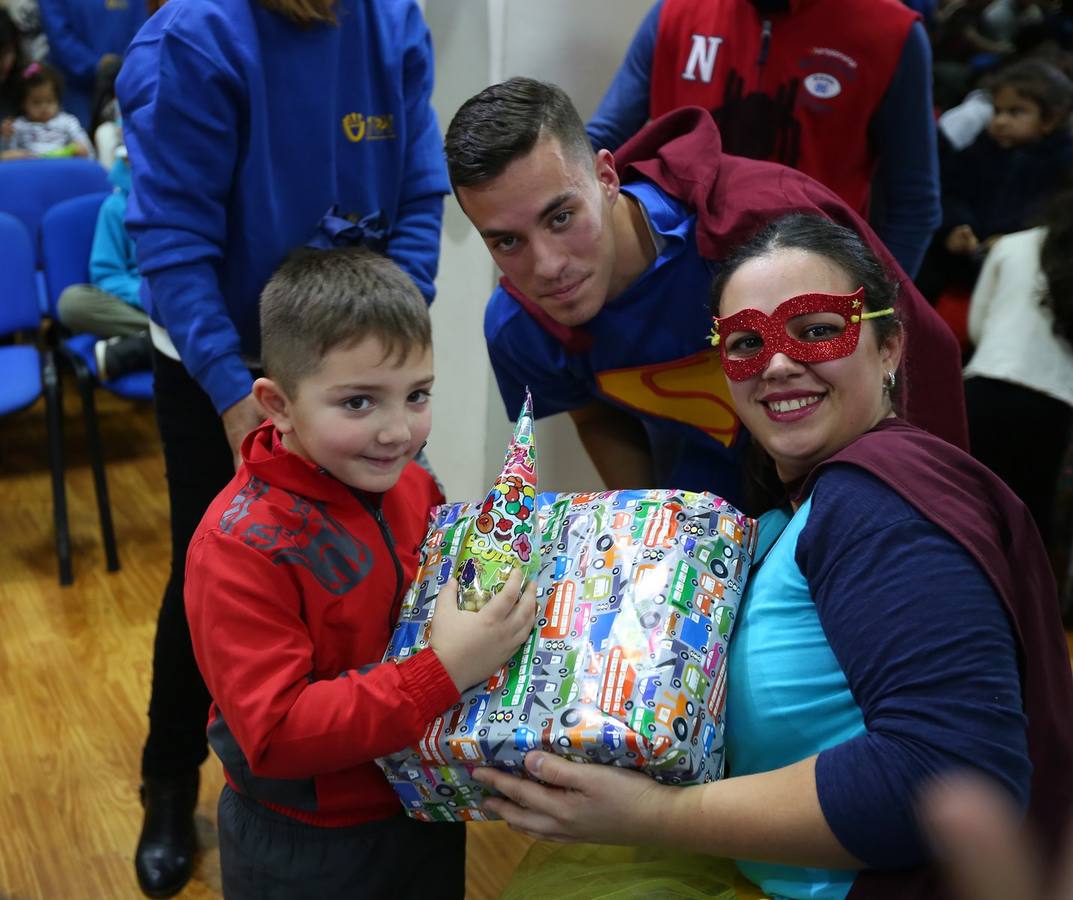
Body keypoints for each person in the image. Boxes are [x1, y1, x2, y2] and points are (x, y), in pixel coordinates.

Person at [473, 213, 1073, 899]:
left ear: (888, 347)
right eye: (745, 342)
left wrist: (655, 816)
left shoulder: (878, 505)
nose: (779, 362)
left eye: (818, 329)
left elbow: (944, 776)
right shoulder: (815, 497)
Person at [115, 0, 450, 894]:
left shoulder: (390, 21)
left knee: (369, 571)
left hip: (346, 362)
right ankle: (168, 781)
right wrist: (238, 401)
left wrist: (381, 342)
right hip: (226, 361)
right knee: (223, 581)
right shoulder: (192, 40)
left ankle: (372, 764)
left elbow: (420, 192)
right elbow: (174, 245)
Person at [185, 246, 537, 900]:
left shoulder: (413, 485)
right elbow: (279, 732)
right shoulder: (235, 548)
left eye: (417, 395)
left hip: (422, 806)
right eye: (358, 403)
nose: (398, 431)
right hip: (307, 844)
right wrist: (445, 669)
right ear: (277, 404)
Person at [444, 78, 966, 511]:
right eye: (507, 241)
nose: (548, 266)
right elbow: (595, 410)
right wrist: (655, 537)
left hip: (855, 481)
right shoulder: (522, 325)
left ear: (606, 177)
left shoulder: (761, 226)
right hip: (711, 501)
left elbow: (914, 353)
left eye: (561, 217)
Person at [585, 0, 942, 279]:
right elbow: (601, 139)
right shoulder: (676, 12)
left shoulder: (890, 35)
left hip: (810, 287)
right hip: (675, 279)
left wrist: (879, 311)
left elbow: (914, 203)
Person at [963, 188, 1073, 548]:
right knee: (1026, 528)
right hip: (1054, 405)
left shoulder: (1012, 245)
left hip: (985, 388)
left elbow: (977, 325)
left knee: (964, 510)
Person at [918, 58, 1073, 301]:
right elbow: (951, 192)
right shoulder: (981, 149)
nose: (1000, 121)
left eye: (1015, 112)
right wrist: (956, 227)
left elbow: (1053, 216)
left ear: (1050, 119)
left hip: (1023, 274)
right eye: (997, 111)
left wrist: (1012, 240)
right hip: (963, 268)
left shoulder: (1063, 163)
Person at [56, 149, 152, 381]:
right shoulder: (115, 207)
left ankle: (146, 344)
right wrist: (149, 297)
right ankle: (162, 339)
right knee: (72, 302)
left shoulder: (191, 201)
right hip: (143, 304)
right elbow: (107, 275)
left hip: (187, 300)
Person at [37, 0, 145, 127]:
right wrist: (96, 65)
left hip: (126, 86)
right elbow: (57, 33)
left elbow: (142, 30)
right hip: (74, 89)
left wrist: (123, 64)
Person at [2, 60, 90, 157]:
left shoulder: (68, 122)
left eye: (49, 101)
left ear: (58, 100)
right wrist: (6, 138)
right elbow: (8, 156)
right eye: (36, 102)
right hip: (29, 168)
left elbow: (86, 149)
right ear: (23, 103)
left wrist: (80, 147)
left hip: (61, 166)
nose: (44, 108)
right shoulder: (18, 126)